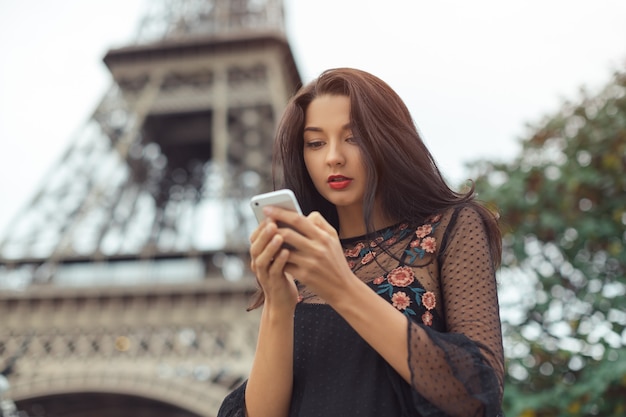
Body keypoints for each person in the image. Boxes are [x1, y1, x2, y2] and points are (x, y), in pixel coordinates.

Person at [218, 68, 504, 417]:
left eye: (353, 138)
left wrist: (339, 285)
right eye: (315, 142)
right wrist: (279, 305)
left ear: (389, 140)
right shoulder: (306, 260)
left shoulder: (449, 227)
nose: (333, 156)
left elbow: (476, 396)